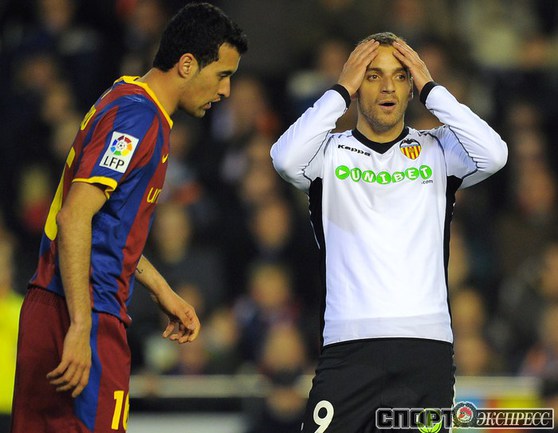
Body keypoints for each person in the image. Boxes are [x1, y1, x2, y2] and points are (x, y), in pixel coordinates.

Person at [10, 3, 247, 433]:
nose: (226, 90)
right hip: (84, 309)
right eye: (222, 75)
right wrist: (81, 325)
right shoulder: (138, 119)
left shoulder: (125, 98)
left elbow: (106, 227)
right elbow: (74, 218)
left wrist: (162, 290)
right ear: (187, 64)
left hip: (56, 304)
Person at [270, 32, 507, 433]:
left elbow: (494, 153)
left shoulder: (438, 150)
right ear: (356, 86)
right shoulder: (327, 154)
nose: (387, 87)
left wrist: (432, 88)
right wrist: (338, 92)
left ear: (411, 88)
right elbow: (283, 158)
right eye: (373, 75)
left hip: (425, 348)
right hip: (348, 348)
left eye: (400, 76)